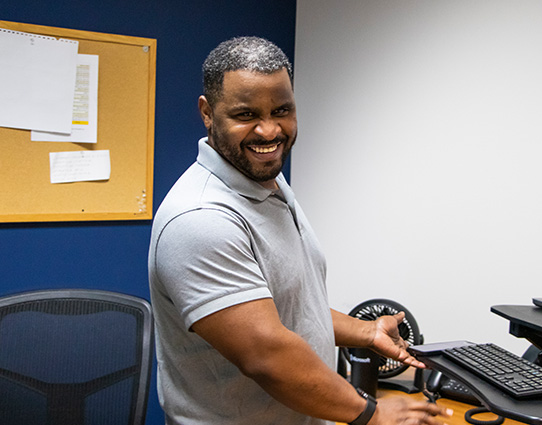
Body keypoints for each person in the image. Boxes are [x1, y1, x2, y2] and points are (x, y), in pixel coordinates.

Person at [148, 36, 452, 425]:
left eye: (282, 110)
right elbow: (267, 355)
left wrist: (366, 331)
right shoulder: (200, 218)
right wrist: (371, 414)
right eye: (246, 115)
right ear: (207, 113)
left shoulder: (264, 182)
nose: (269, 131)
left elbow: (284, 307)